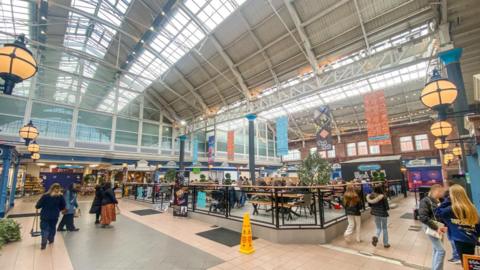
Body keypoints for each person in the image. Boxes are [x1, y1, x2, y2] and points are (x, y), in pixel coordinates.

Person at [436, 185, 480, 263]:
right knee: (469, 262)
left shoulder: (452, 208)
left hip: (460, 240)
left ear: (452, 195)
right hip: (471, 238)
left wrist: (448, 200)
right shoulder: (471, 207)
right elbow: (477, 223)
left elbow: (438, 213)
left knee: (466, 263)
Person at [418, 184, 447, 270]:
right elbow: (423, 217)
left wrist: (444, 225)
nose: (442, 193)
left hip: (439, 227)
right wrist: (436, 227)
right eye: (440, 191)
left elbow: (441, 214)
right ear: (435, 191)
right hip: (431, 227)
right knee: (441, 251)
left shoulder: (441, 200)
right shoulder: (425, 201)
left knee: (436, 249)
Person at [35, 183, 66, 250]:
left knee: (44, 228)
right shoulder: (60, 196)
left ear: (51, 188)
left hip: (45, 215)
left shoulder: (45, 196)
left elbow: (38, 205)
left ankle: (44, 242)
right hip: (54, 216)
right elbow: (63, 206)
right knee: (52, 227)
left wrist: (39, 205)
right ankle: (51, 239)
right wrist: (58, 208)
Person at [444, 181, 461, 264]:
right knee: (453, 239)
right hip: (453, 222)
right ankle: (456, 256)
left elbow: (439, 212)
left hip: (453, 221)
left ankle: (457, 256)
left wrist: (446, 200)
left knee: (453, 239)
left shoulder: (450, 199)